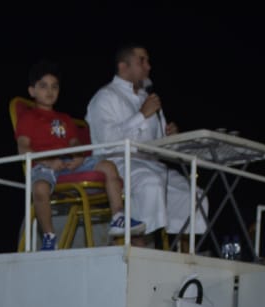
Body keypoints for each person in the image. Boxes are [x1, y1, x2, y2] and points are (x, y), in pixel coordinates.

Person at [85, 44, 206, 246]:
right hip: (118, 163)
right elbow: (107, 140)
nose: (148, 67)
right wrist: (141, 115)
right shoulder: (105, 96)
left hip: (152, 164)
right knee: (150, 183)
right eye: (142, 61)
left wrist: (170, 136)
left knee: (194, 194)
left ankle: (185, 254)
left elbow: (158, 143)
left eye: (148, 61)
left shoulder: (147, 98)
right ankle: (137, 246)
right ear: (123, 66)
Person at [16, 60, 143, 250]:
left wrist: (78, 156)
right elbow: (23, 148)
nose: (50, 91)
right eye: (43, 86)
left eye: (54, 86)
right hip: (44, 165)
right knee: (40, 188)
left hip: (68, 164)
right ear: (32, 91)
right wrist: (49, 161)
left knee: (109, 166)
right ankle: (49, 236)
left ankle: (118, 217)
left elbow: (75, 143)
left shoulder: (65, 119)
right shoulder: (28, 118)